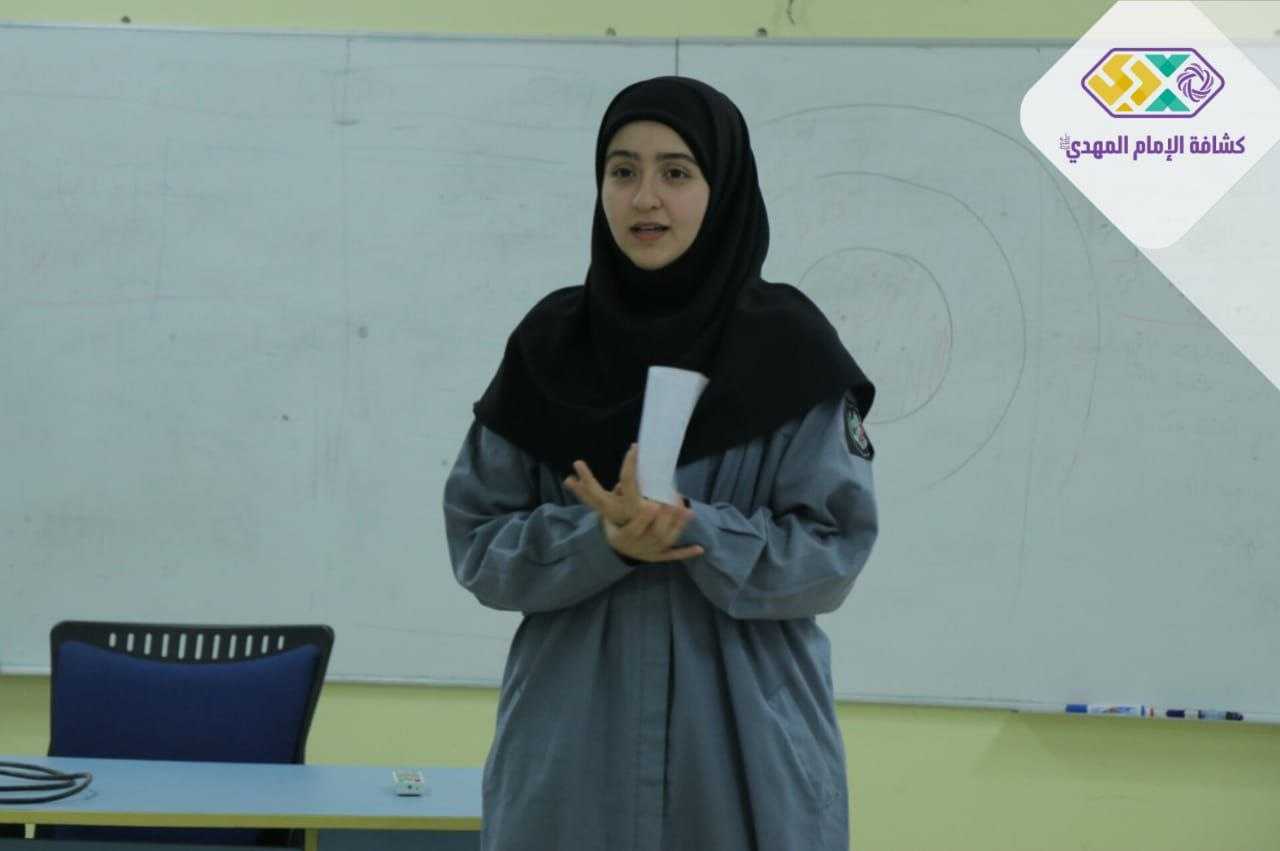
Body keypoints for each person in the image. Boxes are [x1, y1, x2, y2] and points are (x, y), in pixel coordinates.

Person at [443, 75, 878, 851]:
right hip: (572, 751)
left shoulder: (791, 350)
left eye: (676, 172)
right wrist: (600, 540)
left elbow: (833, 552)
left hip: (746, 753)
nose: (645, 198)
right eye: (623, 171)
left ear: (723, 187)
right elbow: (479, 542)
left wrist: (694, 529)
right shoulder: (549, 349)